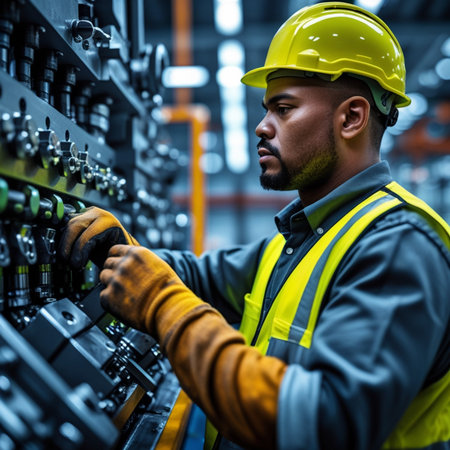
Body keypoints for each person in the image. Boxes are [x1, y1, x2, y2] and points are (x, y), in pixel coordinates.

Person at [59, 2, 450, 449]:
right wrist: (118, 246)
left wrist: (163, 307)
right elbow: (196, 275)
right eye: (267, 110)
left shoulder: (399, 245)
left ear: (351, 118)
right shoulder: (300, 242)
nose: (261, 127)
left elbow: (325, 422)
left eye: (283, 109)